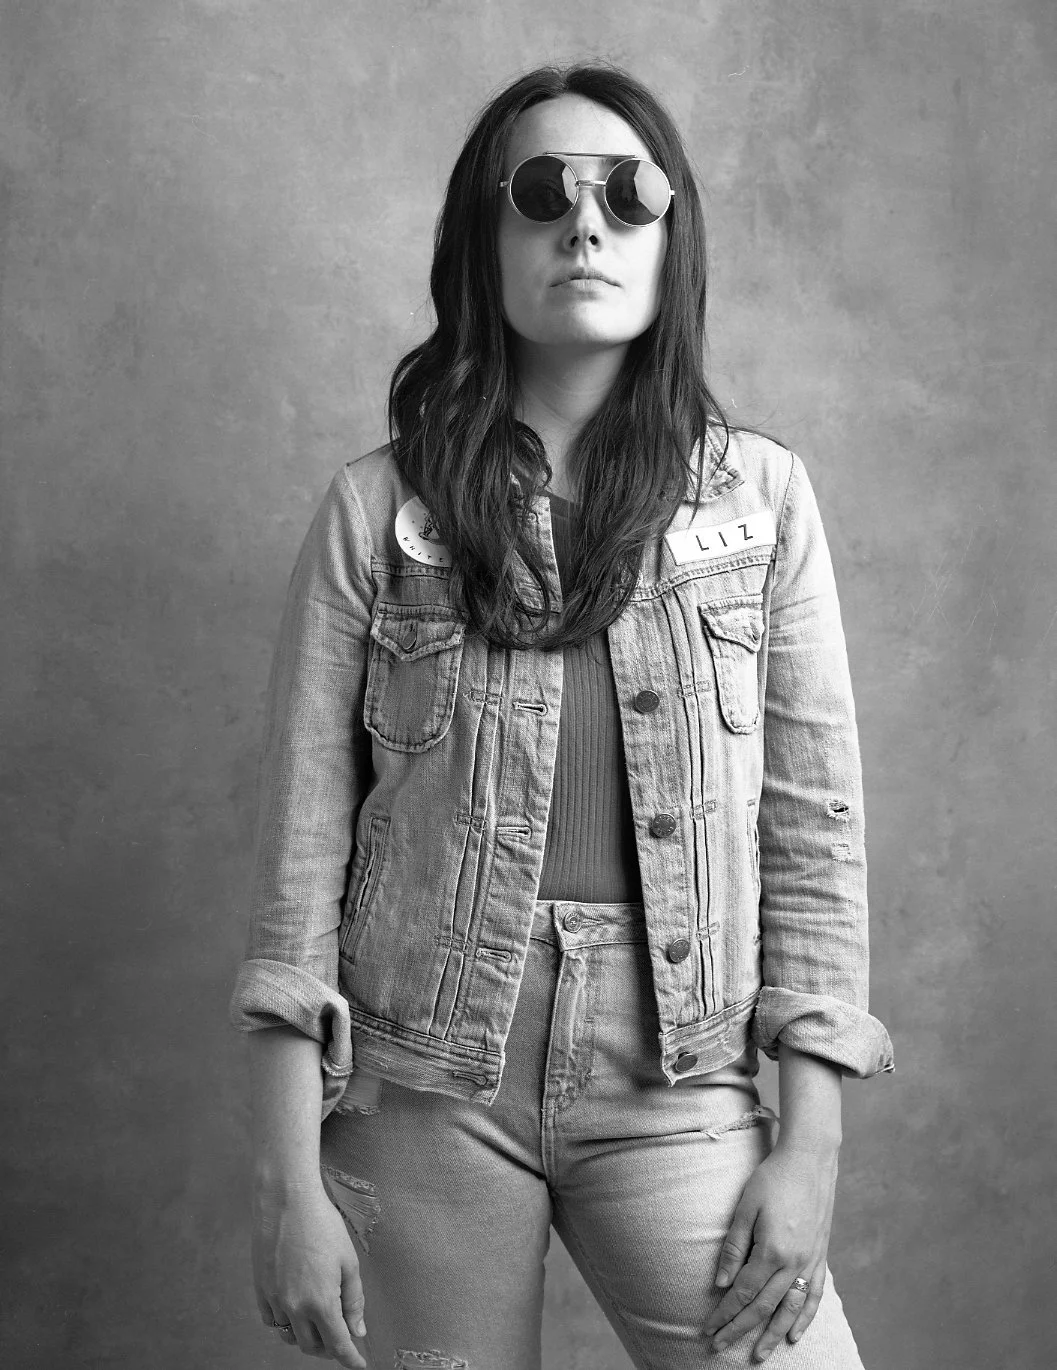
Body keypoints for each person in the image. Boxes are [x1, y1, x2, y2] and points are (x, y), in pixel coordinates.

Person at [230, 63, 894, 1370]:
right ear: (486, 245)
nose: (584, 225)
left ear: (672, 237)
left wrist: (808, 1149)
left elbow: (815, 833)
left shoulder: (763, 499)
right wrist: (285, 1179)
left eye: (628, 195)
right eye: (541, 194)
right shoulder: (377, 514)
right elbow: (300, 865)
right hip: (423, 1092)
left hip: (682, 1087)